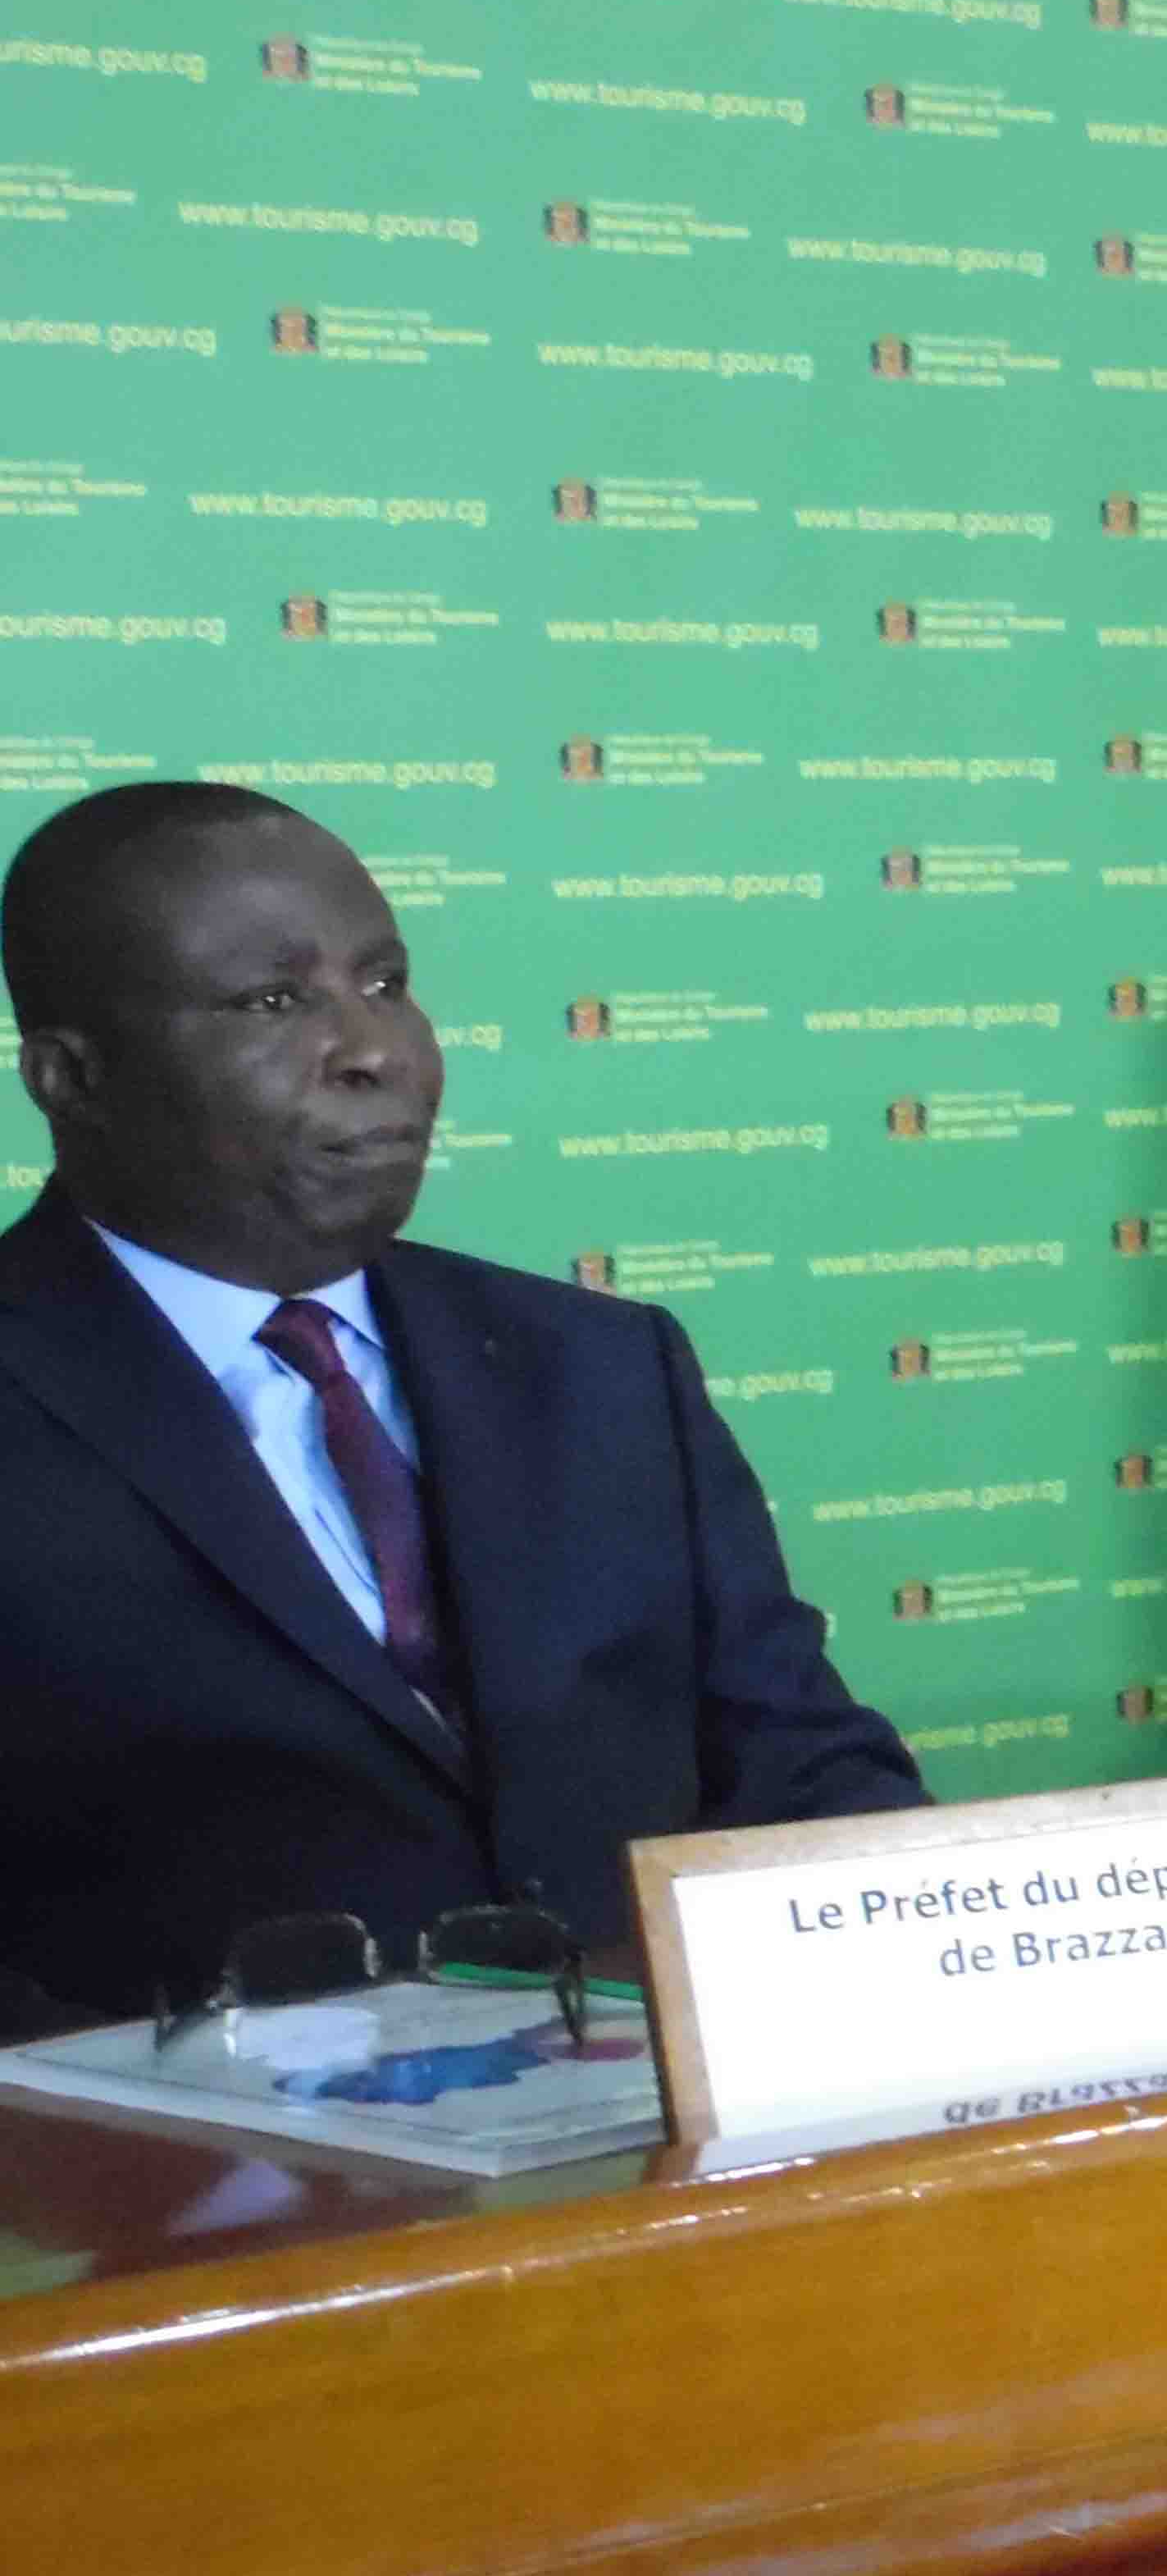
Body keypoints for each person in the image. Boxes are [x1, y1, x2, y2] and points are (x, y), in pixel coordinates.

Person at [0, 784, 922, 2025]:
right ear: (72, 1077)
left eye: (385, 983)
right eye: (273, 1003)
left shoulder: (603, 1367)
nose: (373, 1050)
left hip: (641, 2118)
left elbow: (799, 1765)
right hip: (172, 2139)